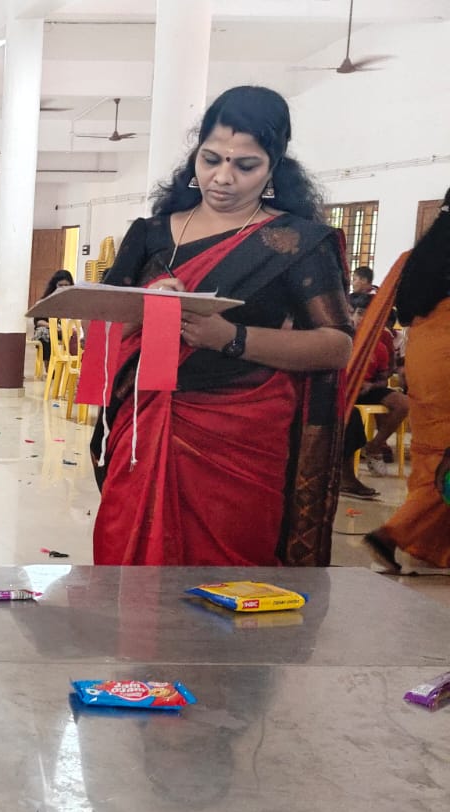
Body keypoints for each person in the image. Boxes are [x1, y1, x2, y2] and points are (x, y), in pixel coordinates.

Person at [89, 86, 353, 567]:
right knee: (127, 567)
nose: (222, 178)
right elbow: (100, 337)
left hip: (242, 436)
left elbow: (336, 346)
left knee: (227, 578)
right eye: (210, 159)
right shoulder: (150, 235)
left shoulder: (297, 243)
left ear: (274, 167)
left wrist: (232, 338)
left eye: (245, 166)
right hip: (144, 424)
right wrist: (145, 307)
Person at [367, 188, 450, 575]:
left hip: (424, 357)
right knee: (444, 456)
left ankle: (429, 547)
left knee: (432, 450)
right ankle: (393, 533)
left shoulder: (421, 256)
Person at [338, 320, 408, 498]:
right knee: (350, 415)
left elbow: (383, 379)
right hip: (342, 388)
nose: (361, 319)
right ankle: (346, 476)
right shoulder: (342, 342)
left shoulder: (379, 348)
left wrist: (371, 385)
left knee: (403, 403)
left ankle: (375, 445)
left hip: (367, 388)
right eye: (358, 313)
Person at [33, 269, 75, 366]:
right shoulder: (46, 301)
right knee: (44, 334)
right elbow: (38, 322)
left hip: (67, 330)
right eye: (60, 285)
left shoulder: (73, 300)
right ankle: (49, 367)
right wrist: (53, 327)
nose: (63, 288)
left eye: (66, 285)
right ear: (55, 285)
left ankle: (73, 366)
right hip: (50, 329)